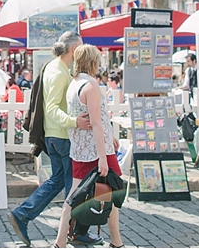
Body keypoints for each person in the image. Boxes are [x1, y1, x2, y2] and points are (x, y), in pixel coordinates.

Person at [8, 31, 101, 247]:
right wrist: (74, 121)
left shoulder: (53, 67)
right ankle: (72, 232)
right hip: (61, 135)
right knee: (74, 186)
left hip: (53, 135)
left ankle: (23, 215)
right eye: (81, 46)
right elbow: (51, 108)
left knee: (58, 181)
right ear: (73, 50)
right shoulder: (59, 72)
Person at [53, 44, 123, 248]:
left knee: (74, 196)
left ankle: (60, 242)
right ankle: (116, 242)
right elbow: (96, 123)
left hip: (80, 148)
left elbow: (95, 119)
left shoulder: (74, 84)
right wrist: (103, 157)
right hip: (96, 149)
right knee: (109, 194)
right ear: (93, 62)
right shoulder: (91, 85)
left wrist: (109, 136)